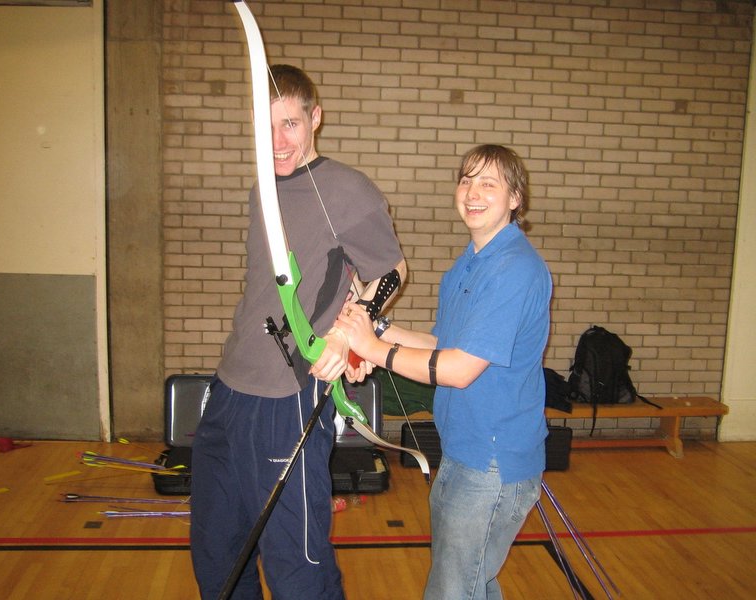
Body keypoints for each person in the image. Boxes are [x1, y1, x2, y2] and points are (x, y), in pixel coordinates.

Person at [189, 64, 406, 600]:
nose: (278, 141)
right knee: (218, 553)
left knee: (296, 565)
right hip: (229, 390)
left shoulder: (347, 190)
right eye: (266, 125)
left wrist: (346, 334)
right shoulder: (261, 190)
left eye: (290, 123)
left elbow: (390, 271)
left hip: (288, 398)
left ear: (315, 118)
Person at [336, 144, 552, 600]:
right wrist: (377, 330)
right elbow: (443, 346)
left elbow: (458, 370)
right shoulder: (469, 264)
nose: (473, 192)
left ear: (515, 198)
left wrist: (372, 347)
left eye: (489, 183)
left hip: (492, 463)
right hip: (462, 451)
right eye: (466, 180)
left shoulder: (514, 269)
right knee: (472, 584)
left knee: (453, 590)